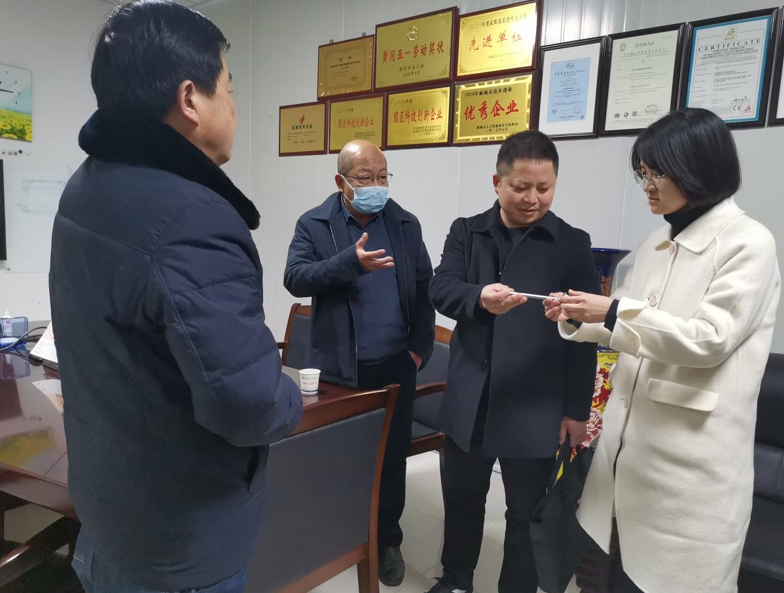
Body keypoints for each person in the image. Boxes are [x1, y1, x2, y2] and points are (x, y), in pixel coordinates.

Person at [49, 2, 303, 591]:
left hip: (110, 509)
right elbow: (247, 405)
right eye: (229, 90)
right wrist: (288, 390)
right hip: (180, 538)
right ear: (190, 99)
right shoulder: (191, 218)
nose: (234, 107)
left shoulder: (86, 186)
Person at [545, 108, 781, 593]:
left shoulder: (748, 244)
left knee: (668, 579)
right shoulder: (657, 241)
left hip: (686, 470)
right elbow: (628, 327)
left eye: (657, 174)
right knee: (606, 575)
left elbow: (708, 339)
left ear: (699, 169)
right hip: (625, 459)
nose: (647, 187)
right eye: (643, 174)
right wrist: (578, 316)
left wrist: (612, 311)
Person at [428, 131, 600, 593]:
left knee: (525, 511)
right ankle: (456, 579)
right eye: (521, 187)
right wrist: (478, 297)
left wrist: (576, 411)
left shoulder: (571, 243)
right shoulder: (468, 231)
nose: (532, 199)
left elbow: (584, 334)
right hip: (472, 398)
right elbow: (441, 288)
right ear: (497, 183)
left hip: (534, 404)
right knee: (462, 499)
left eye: (544, 187)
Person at [284, 139, 435, 586]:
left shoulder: (404, 223)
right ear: (342, 181)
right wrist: (349, 262)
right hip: (338, 367)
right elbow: (295, 278)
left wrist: (418, 349)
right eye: (365, 178)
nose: (376, 186)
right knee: (336, 455)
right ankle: (334, 535)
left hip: (395, 365)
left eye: (383, 176)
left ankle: (386, 539)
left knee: (391, 457)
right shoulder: (314, 223)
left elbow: (424, 287)